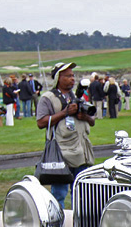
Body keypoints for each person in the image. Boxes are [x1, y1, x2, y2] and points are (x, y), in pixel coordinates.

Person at [37, 62, 95, 207]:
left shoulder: (77, 97)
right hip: (61, 153)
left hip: (82, 153)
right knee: (59, 194)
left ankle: (80, 223)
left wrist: (85, 117)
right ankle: (59, 223)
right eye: (68, 76)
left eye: (73, 76)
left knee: (82, 195)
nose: (72, 79)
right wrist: (64, 113)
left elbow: (92, 121)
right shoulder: (48, 98)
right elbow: (41, 122)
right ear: (58, 78)